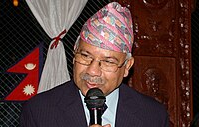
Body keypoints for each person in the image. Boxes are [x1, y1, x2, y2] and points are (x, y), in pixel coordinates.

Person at [19, 2, 169, 127]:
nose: (92, 71)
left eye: (108, 62)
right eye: (85, 56)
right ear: (74, 53)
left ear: (127, 66)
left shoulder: (153, 116)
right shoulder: (39, 112)